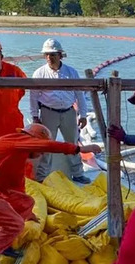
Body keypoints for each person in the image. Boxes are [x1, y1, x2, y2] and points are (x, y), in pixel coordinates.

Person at [0, 123, 101, 264]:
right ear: (34, 141)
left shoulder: (17, 154)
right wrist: (79, 149)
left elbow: (17, 187)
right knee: (15, 224)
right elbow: (49, 146)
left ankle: (4, 245)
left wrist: (28, 212)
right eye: (40, 150)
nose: (41, 154)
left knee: (27, 202)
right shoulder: (16, 140)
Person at [29, 38, 90, 184]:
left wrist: (83, 114)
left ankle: (78, 173)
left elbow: (79, 94)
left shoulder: (71, 72)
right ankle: (42, 176)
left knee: (72, 143)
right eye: (47, 54)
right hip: (48, 112)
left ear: (60, 55)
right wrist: (35, 116)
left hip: (68, 112)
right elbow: (33, 96)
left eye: (53, 54)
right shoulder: (39, 73)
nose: (49, 57)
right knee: (46, 145)